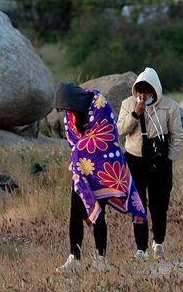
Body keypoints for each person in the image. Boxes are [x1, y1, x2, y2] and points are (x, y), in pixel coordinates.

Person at [53, 82, 147, 272]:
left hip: (104, 168)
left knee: (99, 214)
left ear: (74, 102)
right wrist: (79, 157)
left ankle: (101, 258)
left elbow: (106, 136)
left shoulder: (100, 103)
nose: (66, 112)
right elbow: (74, 141)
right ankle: (74, 258)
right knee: (75, 212)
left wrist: (80, 152)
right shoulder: (69, 115)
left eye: (67, 108)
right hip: (82, 170)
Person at [117, 67, 183, 261]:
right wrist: (135, 114)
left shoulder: (170, 107)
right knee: (138, 205)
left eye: (147, 91)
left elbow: (177, 135)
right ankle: (141, 248)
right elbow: (121, 130)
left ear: (155, 90)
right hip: (134, 160)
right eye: (139, 90)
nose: (142, 95)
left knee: (159, 204)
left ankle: (159, 243)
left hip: (159, 162)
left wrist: (169, 158)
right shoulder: (128, 104)